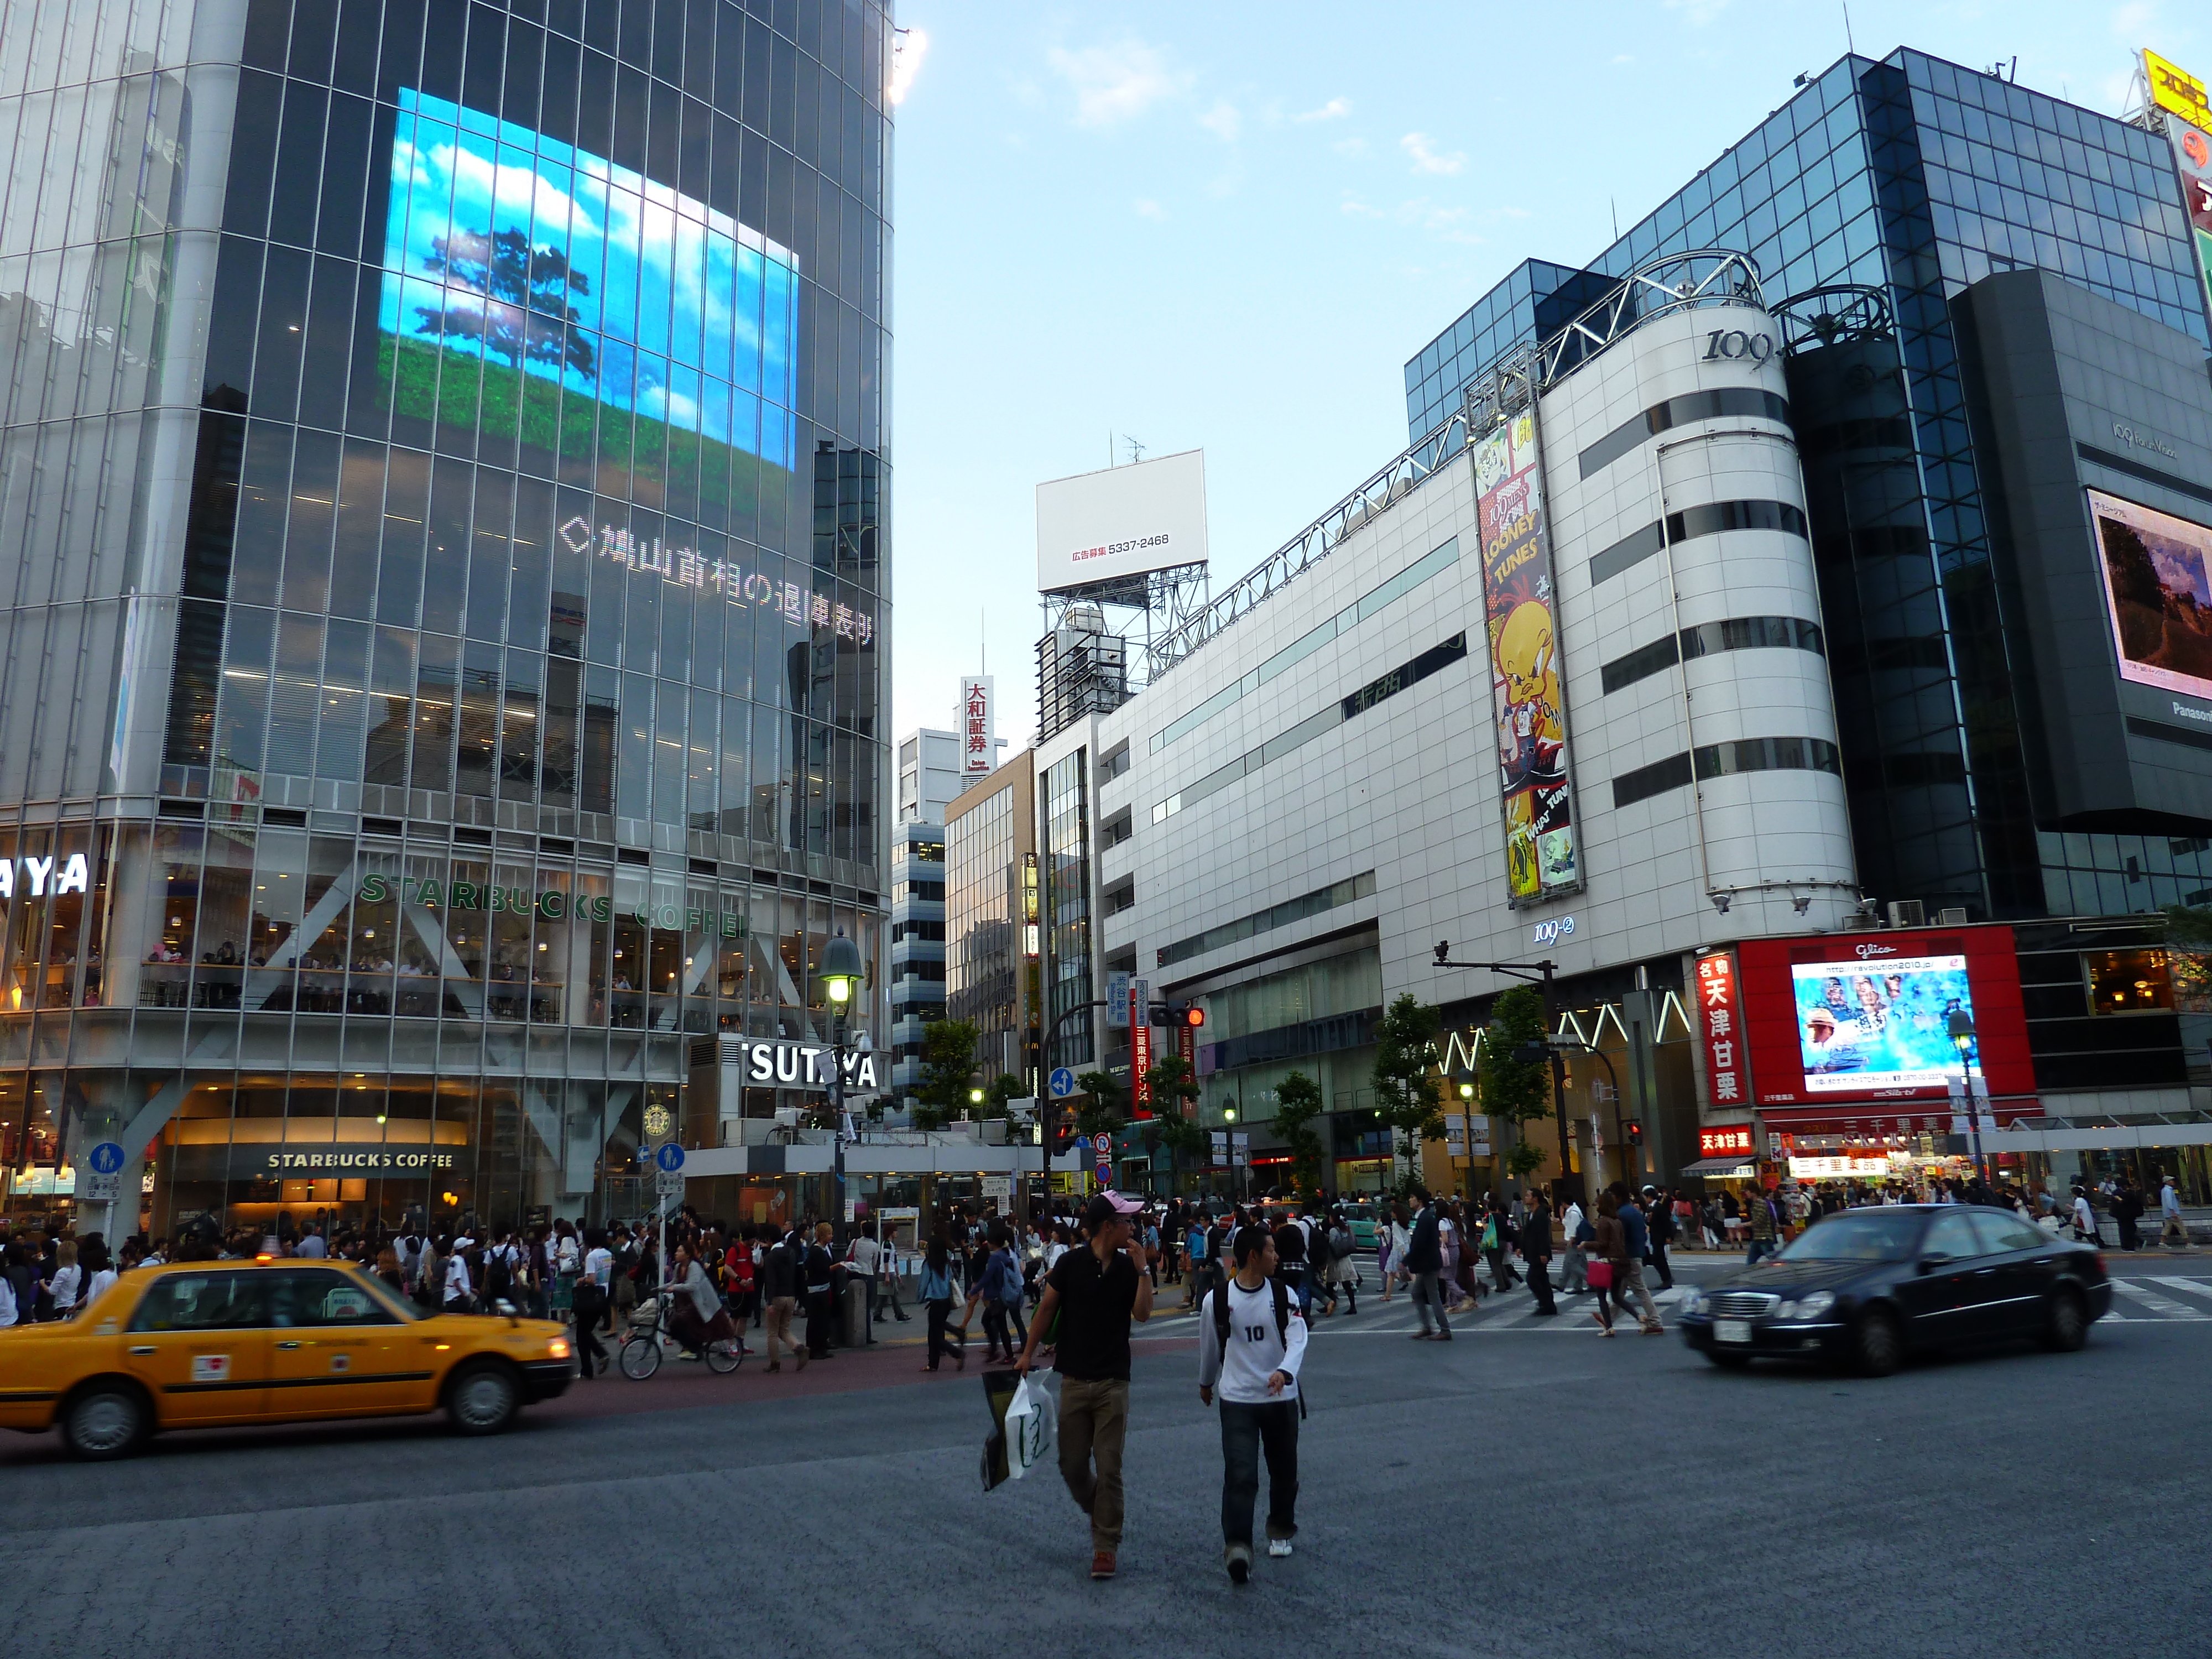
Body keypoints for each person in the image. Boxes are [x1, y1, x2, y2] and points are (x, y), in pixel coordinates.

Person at [1014, 1191, 1154, 1582]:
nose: (1132, 1227)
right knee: (1072, 1464)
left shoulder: (1129, 1269)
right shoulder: (1071, 1263)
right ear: (1108, 1227)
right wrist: (1027, 1353)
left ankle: (1105, 1546)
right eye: (1126, 1221)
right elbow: (1046, 1309)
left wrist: (1143, 1270)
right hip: (1074, 1378)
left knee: (1110, 1467)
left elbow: (1142, 1315)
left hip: (1114, 1380)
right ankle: (1103, 1510)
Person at [1197, 1224, 1308, 1584]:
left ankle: (1279, 1531)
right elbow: (1210, 1346)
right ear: (1253, 1257)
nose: (1277, 1256)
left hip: (1281, 1398)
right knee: (1241, 1475)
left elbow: (1297, 1338)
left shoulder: (1283, 1294)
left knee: (1284, 1473)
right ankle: (1238, 1547)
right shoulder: (1216, 1299)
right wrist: (1206, 1381)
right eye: (1271, 1250)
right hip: (1237, 1398)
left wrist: (1284, 1372)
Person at [1610, 1183, 1665, 1335]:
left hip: (1627, 1256)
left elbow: (1620, 1238)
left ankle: (1655, 1321)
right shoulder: (1633, 1211)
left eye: (1612, 1196)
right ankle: (1608, 1318)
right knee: (1619, 1291)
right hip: (1636, 1253)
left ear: (1618, 1197)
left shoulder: (1622, 1214)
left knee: (1639, 1290)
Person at [1403, 1188, 1451, 1341]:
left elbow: (1419, 1243)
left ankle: (1444, 1329)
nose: (1410, 1200)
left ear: (1420, 1201)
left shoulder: (1425, 1218)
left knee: (1432, 1295)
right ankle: (1428, 1327)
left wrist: (1406, 1261)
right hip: (1427, 1263)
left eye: (1412, 1196)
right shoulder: (1424, 1217)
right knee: (1418, 1293)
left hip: (1428, 1263)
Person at [919, 1234, 965, 1372]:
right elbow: (951, 1279)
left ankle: (957, 1353)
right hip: (946, 1302)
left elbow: (923, 1284)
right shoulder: (946, 1263)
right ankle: (933, 1364)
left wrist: (920, 1298)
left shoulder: (929, 1264)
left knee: (934, 1337)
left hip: (936, 1302)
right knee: (936, 1331)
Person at [761, 1224, 802, 1371]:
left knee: (772, 1332)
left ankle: (775, 1363)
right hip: (791, 1295)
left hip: (777, 1297)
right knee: (784, 1329)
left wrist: (769, 1301)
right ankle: (798, 1347)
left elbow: (770, 1280)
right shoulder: (791, 1252)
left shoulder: (771, 1257)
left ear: (768, 1239)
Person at [1588, 1193, 1627, 1336]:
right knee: (1616, 1296)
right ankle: (1639, 1318)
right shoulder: (1617, 1220)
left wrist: (1586, 1244)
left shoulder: (1603, 1221)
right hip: (1619, 1260)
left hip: (1606, 1261)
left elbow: (1602, 1243)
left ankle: (1609, 1327)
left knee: (1602, 1296)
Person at [803, 1222, 838, 1361]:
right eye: (829, 1234)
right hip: (816, 1290)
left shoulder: (824, 1249)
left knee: (823, 1319)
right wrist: (838, 1266)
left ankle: (822, 1346)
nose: (831, 1236)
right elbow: (823, 1269)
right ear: (822, 1235)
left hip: (824, 1287)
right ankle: (814, 1349)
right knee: (816, 1320)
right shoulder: (816, 1250)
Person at [1520, 1192, 1557, 1315]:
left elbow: (1542, 1235)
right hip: (1533, 1251)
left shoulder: (1540, 1214)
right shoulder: (1532, 1213)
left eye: (1528, 1196)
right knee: (1542, 1279)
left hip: (1539, 1253)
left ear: (1535, 1199)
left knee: (1532, 1279)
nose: (1526, 1198)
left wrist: (1543, 1253)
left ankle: (1545, 1304)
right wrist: (1521, 1247)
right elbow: (1529, 1233)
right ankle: (1548, 1305)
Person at [847, 1221, 881, 1342]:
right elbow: (875, 1262)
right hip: (868, 1275)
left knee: (853, 1304)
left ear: (863, 1231)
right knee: (866, 1306)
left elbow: (848, 1255)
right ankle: (867, 1335)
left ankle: (852, 1331)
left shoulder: (854, 1242)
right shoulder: (875, 1246)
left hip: (854, 1274)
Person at [1642, 1185, 1676, 1291]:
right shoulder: (1651, 1207)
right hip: (1654, 1236)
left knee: (1658, 1259)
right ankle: (1667, 1279)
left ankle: (1667, 1279)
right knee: (1659, 1259)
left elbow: (1666, 1222)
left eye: (1645, 1196)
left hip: (1660, 1236)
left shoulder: (1659, 1207)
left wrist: (1669, 1236)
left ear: (1649, 1197)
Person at [1558, 1190, 1589, 1295]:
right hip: (1578, 1241)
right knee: (1581, 1263)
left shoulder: (1573, 1213)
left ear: (1564, 1203)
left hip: (1575, 1242)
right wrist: (1562, 1217)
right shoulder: (1573, 1211)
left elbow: (1573, 1227)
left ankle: (1590, 1280)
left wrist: (1571, 1239)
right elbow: (1568, 1224)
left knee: (1571, 1264)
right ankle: (1576, 1286)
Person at [2112, 1179, 2145, 1252]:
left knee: (2125, 1230)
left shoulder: (2117, 1193)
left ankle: (2128, 1246)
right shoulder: (2128, 1194)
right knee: (2128, 1230)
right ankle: (2132, 1245)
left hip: (2122, 1215)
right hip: (2127, 1215)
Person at [2161, 1175, 2189, 1248]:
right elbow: (2169, 1202)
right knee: (2181, 1228)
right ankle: (2188, 1243)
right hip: (2172, 1213)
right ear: (2167, 1182)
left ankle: (2162, 1242)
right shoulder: (2168, 1191)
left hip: (2167, 1214)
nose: (2173, 1182)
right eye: (2171, 1180)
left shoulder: (2164, 1190)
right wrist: (2173, 1212)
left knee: (2167, 1228)